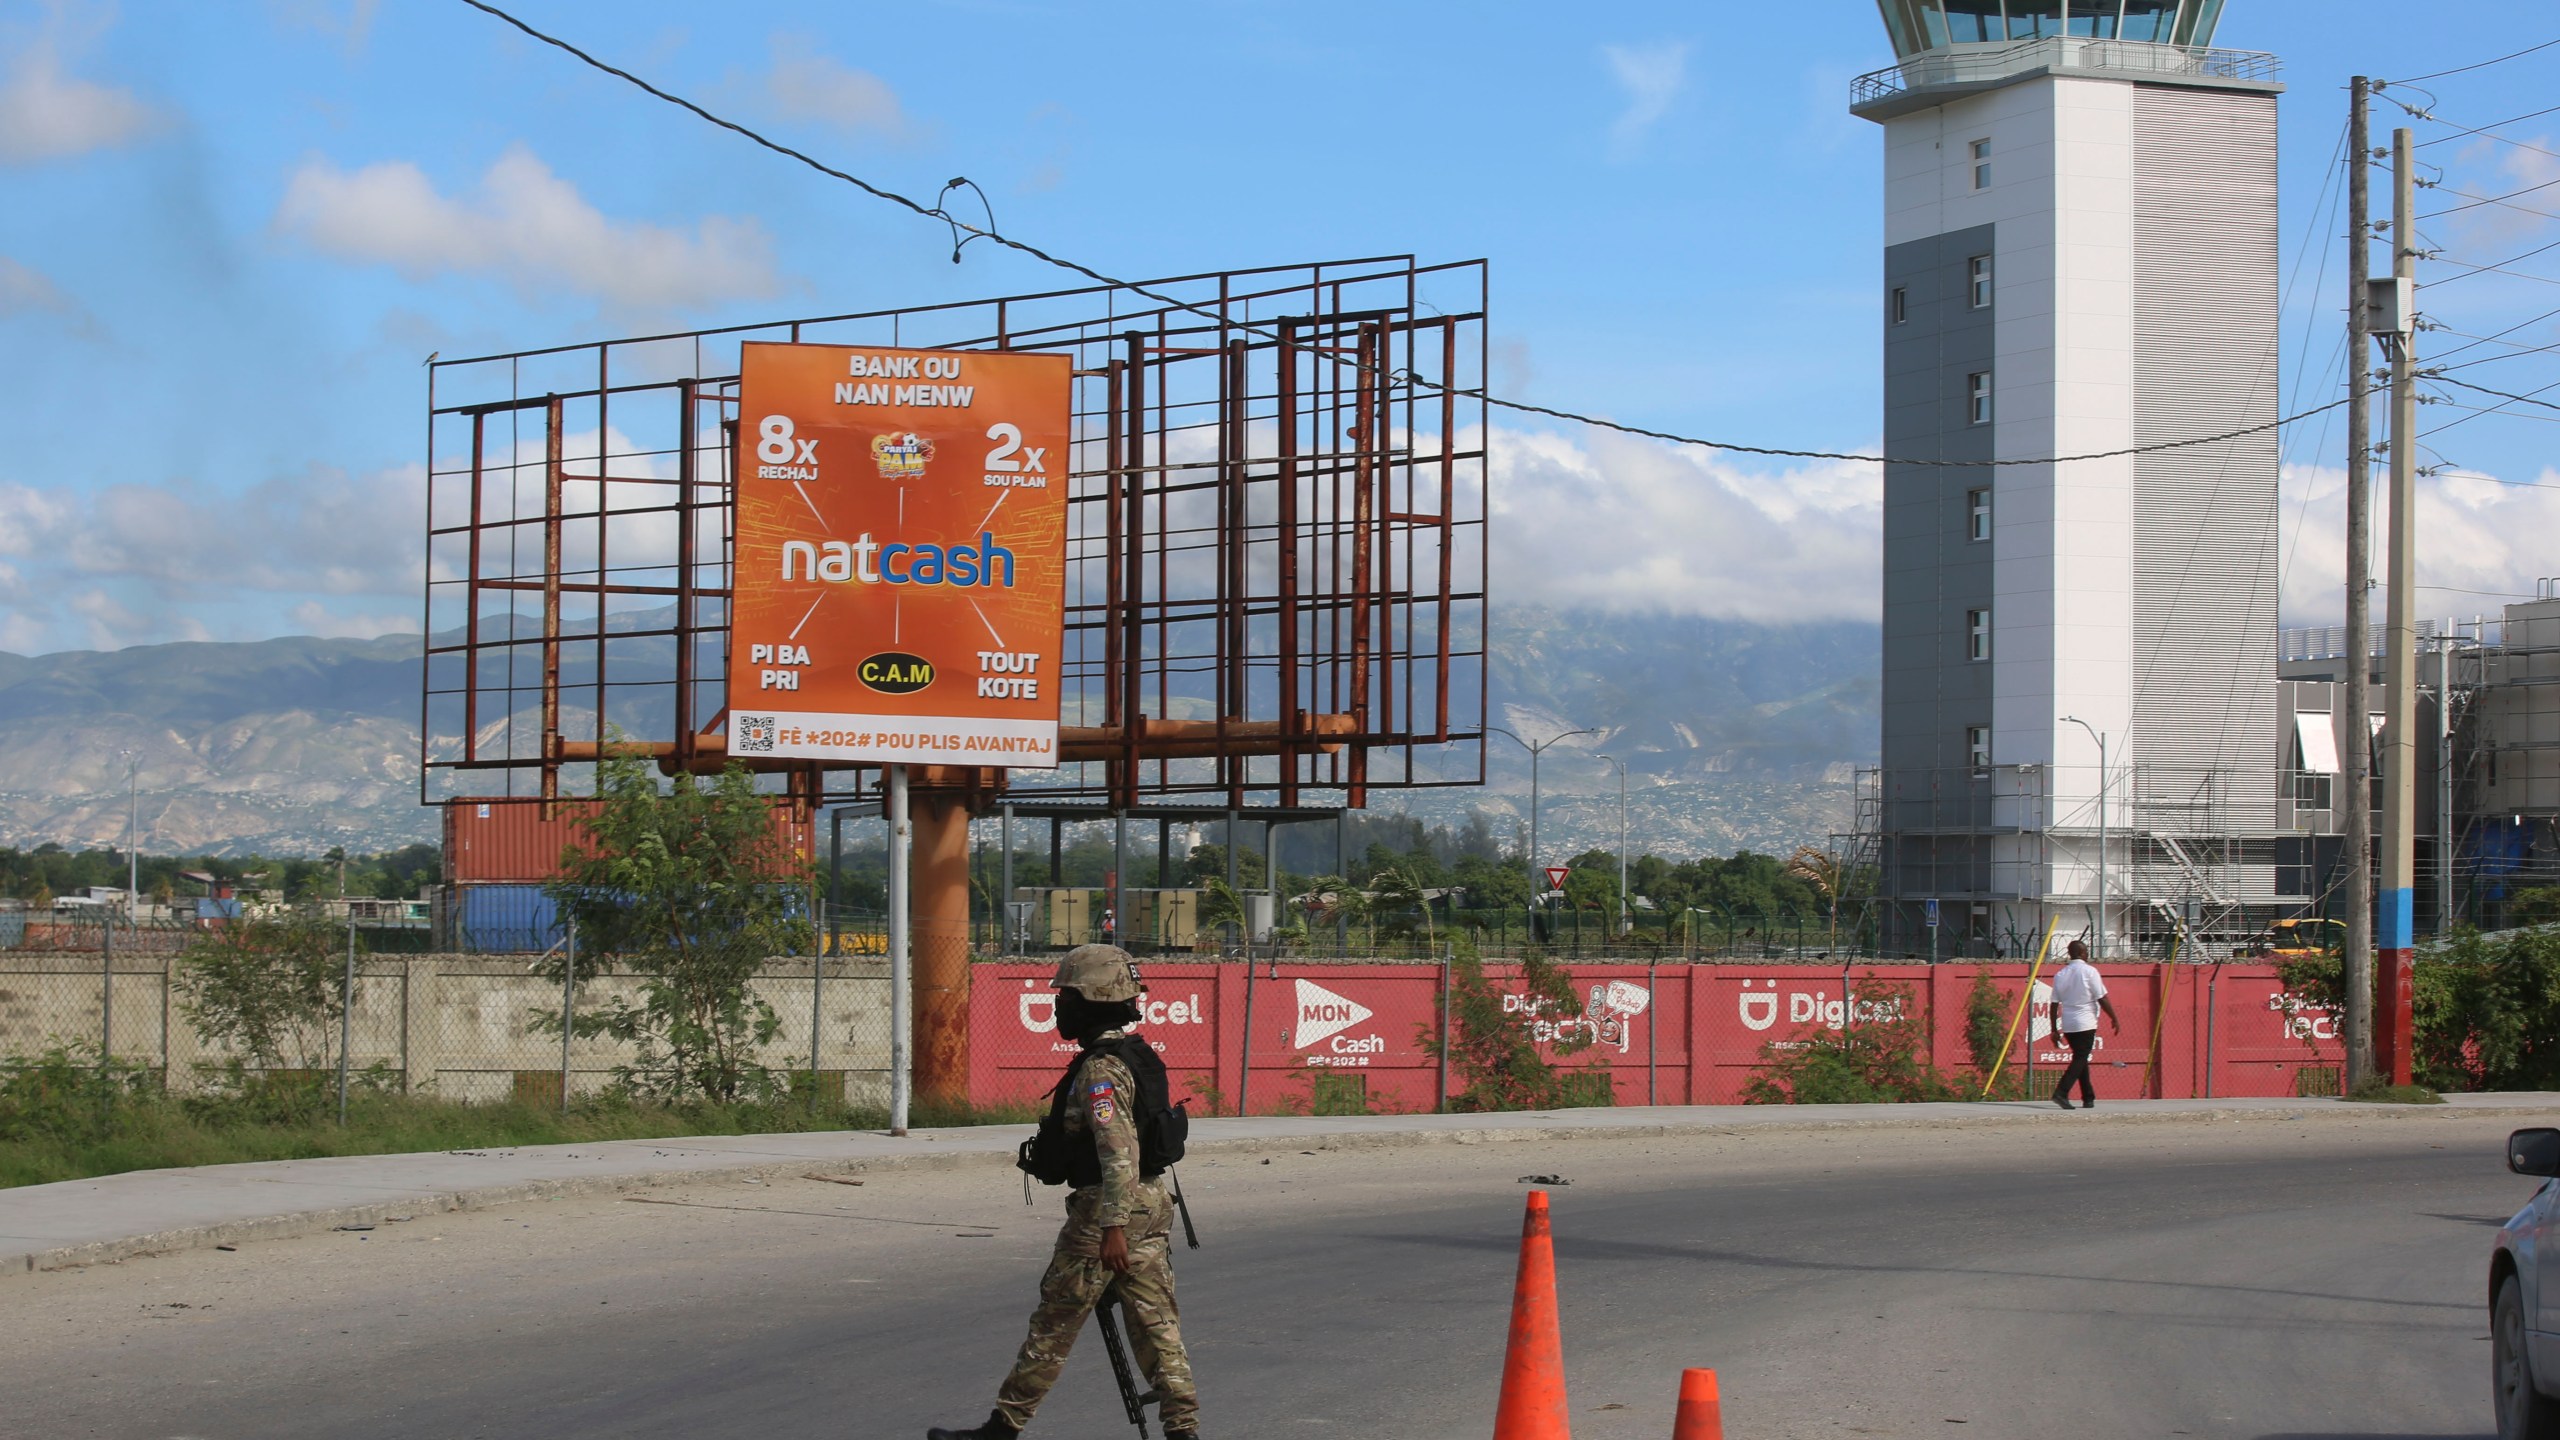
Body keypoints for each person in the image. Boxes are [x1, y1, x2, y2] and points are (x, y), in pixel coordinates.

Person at [930, 945, 1201, 1440]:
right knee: (1157, 1327)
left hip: (1108, 1213)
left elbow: (1118, 1153)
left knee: (1055, 1321)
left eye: (1067, 997)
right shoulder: (1136, 1056)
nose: (1058, 1008)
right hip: (1151, 1205)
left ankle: (1003, 1428)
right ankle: (1183, 1430)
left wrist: (1111, 1229)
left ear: (1091, 1001)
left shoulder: (1101, 1071)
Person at [2045, 938, 2120, 1109]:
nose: (2088, 955)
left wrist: (2054, 1029)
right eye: (2086, 952)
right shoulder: (2089, 971)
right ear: (2081, 953)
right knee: (2080, 1057)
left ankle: (2088, 1097)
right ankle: (2061, 1092)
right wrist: (2114, 1017)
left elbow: (2054, 1003)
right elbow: (2101, 997)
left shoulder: (2060, 974)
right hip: (2085, 1022)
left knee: (2081, 1057)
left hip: (2069, 1023)